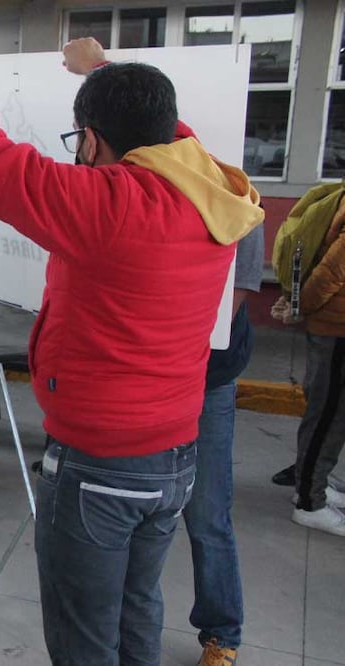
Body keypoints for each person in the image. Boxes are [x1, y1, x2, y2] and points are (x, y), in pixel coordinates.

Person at [0, 31, 263, 665]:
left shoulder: (106, 205)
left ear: (90, 140)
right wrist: (103, 72)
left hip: (99, 470)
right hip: (173, 460)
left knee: (84, 635)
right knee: (138, 607)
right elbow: (167, 134)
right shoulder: (211, 193)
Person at [183, 222, 264, 666]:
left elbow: (229, 304)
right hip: (151, 371)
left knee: (207, 512)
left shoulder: (238, 195)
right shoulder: (147, 180)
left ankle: (221, 632)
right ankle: (122, 622)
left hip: (207, 377)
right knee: (134, 513)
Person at [271, 196, 345, 536]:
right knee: (328, 415)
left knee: (329, 414)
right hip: (335, 330)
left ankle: (314, 483)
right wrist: (302, 308)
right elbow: (331, 271)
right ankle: (309, 501)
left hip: (332, 329)